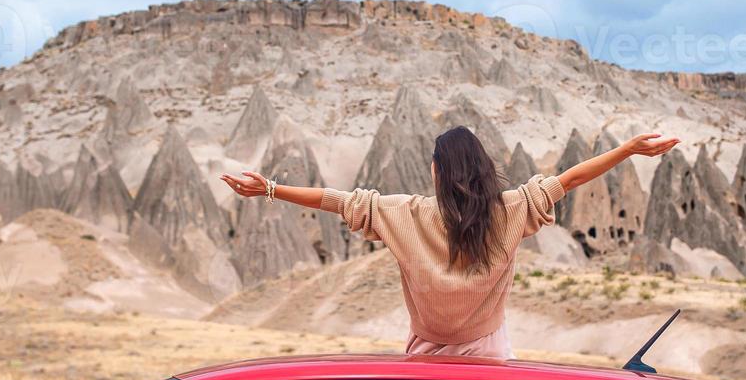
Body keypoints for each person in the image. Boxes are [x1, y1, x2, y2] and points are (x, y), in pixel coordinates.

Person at [221, 125, 679, 360]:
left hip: (426, 357)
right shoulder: (510, 209)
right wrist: (628, 151)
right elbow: (571, 178)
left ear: (439, 170)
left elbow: (337, 201)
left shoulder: (407, 215)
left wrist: (270, 190)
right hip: (491, 355)